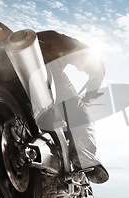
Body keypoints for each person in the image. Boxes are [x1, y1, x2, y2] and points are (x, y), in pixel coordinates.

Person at [36, 30, 109, 184]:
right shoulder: (79, 48)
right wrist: (90, 94)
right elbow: (97, 70)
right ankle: (83, 152)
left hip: (6, 76)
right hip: (42, 70)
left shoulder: (39, 36)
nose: (81, 68)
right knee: (81, 115)